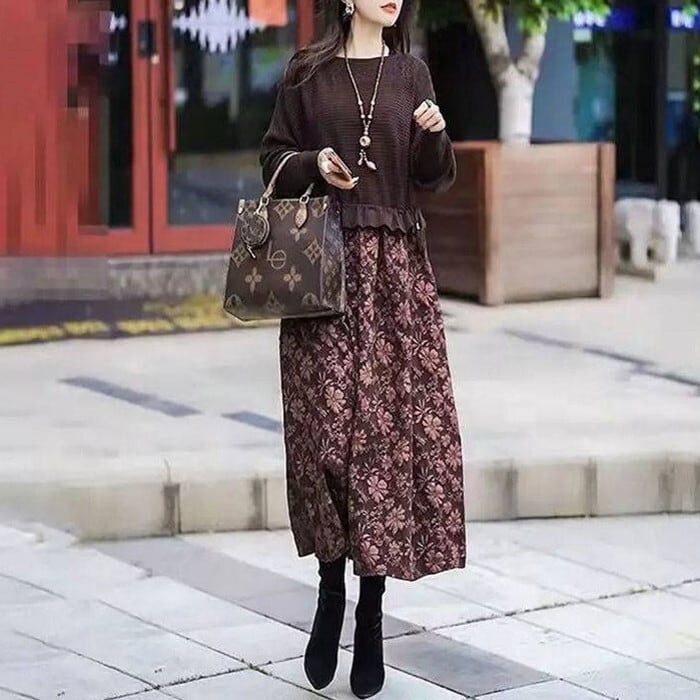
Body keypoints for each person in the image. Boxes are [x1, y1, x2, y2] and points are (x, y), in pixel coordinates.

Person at [259, 1, 466, 697]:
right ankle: (329, 587)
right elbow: (272, 158)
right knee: (323, 439)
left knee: (381, 444)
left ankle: (370, 612)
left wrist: (435, 135)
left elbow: (433, 176)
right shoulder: (306, 73)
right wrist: (312, 163)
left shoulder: (412, 74)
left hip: (394, 278)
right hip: (323, 271)